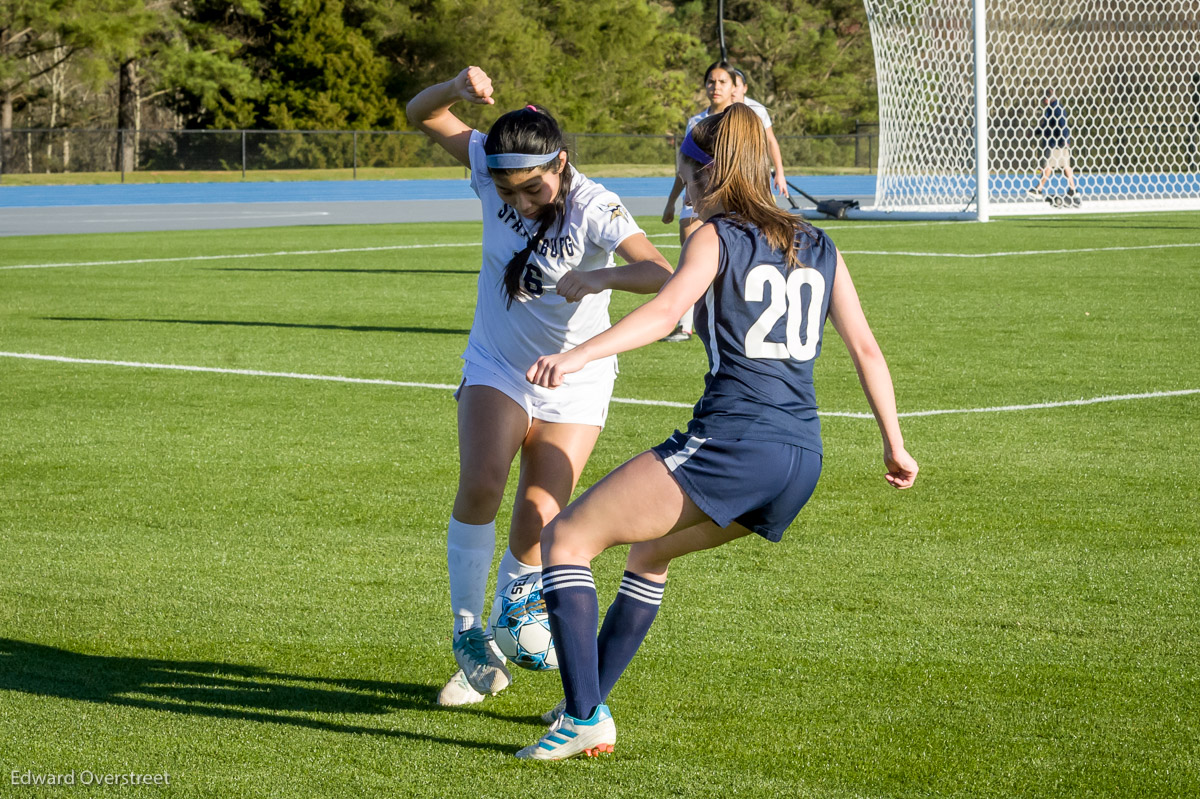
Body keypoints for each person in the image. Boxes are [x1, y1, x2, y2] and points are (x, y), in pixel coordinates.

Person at [517, 104, 919, 760]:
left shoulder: (714, 233)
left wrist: (578, 354)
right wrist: (894, 443)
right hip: (802, 457)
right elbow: (867, 349)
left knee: (565, 538)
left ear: (703, 172)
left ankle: (585, 715)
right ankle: (579, 702)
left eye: (682, 170)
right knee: (650, 553)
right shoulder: (818, 243)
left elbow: (668, 310)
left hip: (736, 442)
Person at [405, 66, 673, 708]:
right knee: (481, 483)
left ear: (560, 162)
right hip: (497, 364)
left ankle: (506, 625)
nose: (521, 201)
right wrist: (453, 89)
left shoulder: (595, 205)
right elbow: (422, 113)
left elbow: (661, 271)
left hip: (574, 377)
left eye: (532, 188)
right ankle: (469, 633)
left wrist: (602, 281)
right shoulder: (487, 163)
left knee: (538, 516)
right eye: (508, 191)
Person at [659, 61, 737, 342]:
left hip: (727, 201)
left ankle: (718, 317)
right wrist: (672, 202)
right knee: (690, 257)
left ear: (735, 87)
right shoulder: (695, 122)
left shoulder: (744, 121)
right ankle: (684, 323)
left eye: (722, 81)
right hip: (696, 197)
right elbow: (685, 168)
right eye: (711, 81)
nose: (715, 86)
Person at [730, 67, 790, 201]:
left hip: (754, 173)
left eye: (736, 85)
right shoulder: (718, 111)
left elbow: (771, 141)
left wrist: (780, 174)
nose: (733, 89)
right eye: (730, 84)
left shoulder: (757, 110)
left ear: (745, 88)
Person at [1028, 88, 1079, 202]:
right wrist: (1035, 132)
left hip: (1056, 143)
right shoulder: (1052, 108)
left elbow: (1062, 124)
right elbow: (1046, 124)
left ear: (1047, 99)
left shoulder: (1056, 108)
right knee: (1066, 166)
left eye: (1043, 98)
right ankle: (1073, 190)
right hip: (1059, 142)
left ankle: (1039, 189)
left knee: (1048, 166)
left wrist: (1064, 139)